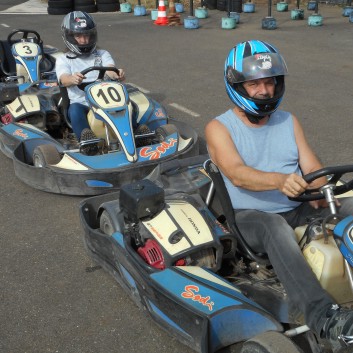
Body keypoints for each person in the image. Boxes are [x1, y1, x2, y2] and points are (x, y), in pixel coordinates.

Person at [205, 40, 353, 352]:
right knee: (277, 230)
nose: (264, 90)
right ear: (238, 85)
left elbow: (312, 166)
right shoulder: (219, 128)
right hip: (250, 218)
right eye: (254, 83)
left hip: (296, 205)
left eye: (269, 82)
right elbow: (236, 172)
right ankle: (324, 317)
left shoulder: (288, 120)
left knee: (349, 204)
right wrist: (279, 180)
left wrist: (320, 188)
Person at [55, 11, 125, 147]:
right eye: (78, 36)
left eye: (86, 35)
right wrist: (72, 79)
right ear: (69, 37)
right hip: (82, 103)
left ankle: (136, 132)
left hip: (105, 101)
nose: (84, 40)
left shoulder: (102, 54)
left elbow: (110, 69)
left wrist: (117, 73)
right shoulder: (63, 59)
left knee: (127, 104)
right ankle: (87, 141)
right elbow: (63, 79)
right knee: (74, 110)